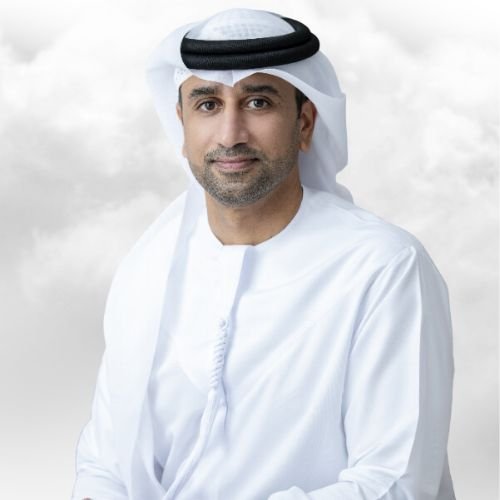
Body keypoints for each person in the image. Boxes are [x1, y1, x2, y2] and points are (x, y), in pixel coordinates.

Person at [72, 8, 455, 500]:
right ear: (182, 124)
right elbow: (104, 464)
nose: (230, 134)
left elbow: (395, 483)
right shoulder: (148, 267)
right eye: (208, 104)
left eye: (258, 102)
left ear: (305, 123)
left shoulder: (382, 268)